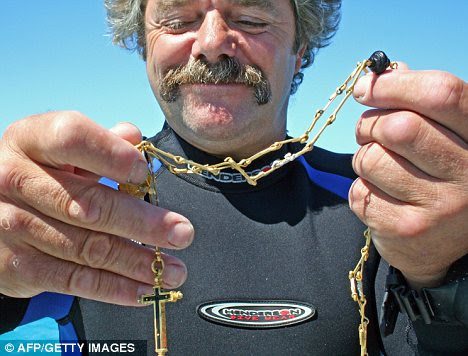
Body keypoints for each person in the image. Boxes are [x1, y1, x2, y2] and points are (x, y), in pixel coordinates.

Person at [0, 0, 466, 355]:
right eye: (178, 19)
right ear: (145, 45)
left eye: (251, 18)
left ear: (300, 49)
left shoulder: (391, 203)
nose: (211, 42)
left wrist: (445, 273)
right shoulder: (60, 200)